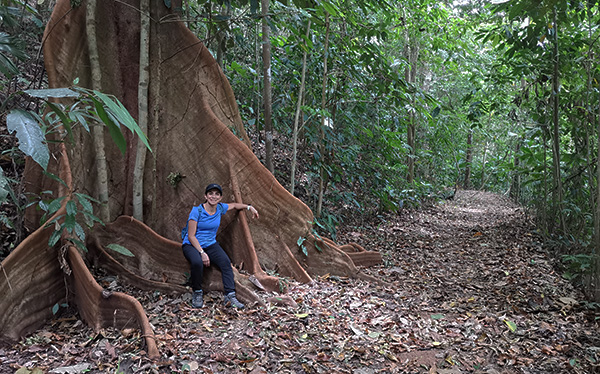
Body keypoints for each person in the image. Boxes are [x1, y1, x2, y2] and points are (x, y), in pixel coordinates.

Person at [181, 183, 259, 309]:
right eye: (210, 193)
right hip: (192, 245)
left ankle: (230, 296)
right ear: (205, 196)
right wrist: (202, 253)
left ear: (220, 198)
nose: (213, 196)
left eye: (217, 194)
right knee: (197, 263)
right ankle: (197, 292)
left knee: (225, 263)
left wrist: (249, 207)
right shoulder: (197, 211)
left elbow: (234, 205)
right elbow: (191, 236)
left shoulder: (220, 208)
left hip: (211, 244)